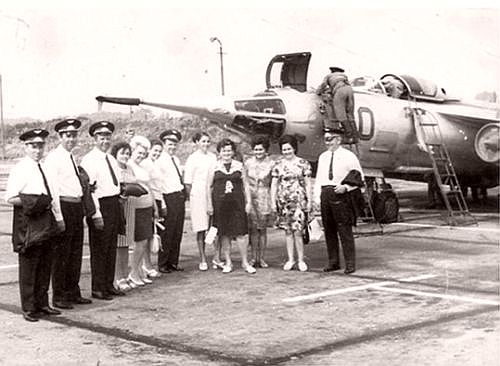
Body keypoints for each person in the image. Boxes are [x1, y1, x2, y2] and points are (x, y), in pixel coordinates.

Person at [5, 129, 64, 322]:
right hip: (29, 221)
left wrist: (58, 217)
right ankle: (29, 307)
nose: (37, 150)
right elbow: (10, 198)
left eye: (40, 146)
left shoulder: (45, 167)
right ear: (26, 147)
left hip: (46, 220)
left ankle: (43, 303)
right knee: (30, 265)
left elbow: (53, 195)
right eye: (33, 146)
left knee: (45, 263)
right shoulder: (20, 168)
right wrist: (33, 201)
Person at [44, 119, 92, 309]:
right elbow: (53, 190)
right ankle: (59, 296)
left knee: (75, 252)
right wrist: (58, 217)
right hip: (64, 206)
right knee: (62, 255)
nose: (72, 139)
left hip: (76, 207)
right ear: (60, 136)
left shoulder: (71, 156)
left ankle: (73, 291)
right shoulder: (54, 158)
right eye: (68, 135)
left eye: (74, 135)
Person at [81, 121, 125, 300]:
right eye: (101, 137)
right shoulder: (89, 160)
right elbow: (90, 190)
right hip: (100, 205)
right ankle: (98, 288)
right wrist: (96, 214)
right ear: (94, 138)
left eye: (108, 137)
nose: (105, 140)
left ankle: (108, 284)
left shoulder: (111, 159)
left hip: (114, 204)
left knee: (110, 247)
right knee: (100, 249)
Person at [313, 128, 364, 274]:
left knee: (344, 230)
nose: (327, 142)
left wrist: (346, 187)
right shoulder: (323, 157)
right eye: (325, 139)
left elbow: (359, 177)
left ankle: (350, 263)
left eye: (330, 139)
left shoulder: (349, 156)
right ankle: (333, 262)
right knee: (329, 230)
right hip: (326, 194)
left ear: (338, 140)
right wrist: (317, 197)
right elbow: (319, 179)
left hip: (340, 194)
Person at [207, 138, 256, 274]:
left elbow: (246, 185)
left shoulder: (239, 165)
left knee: (241, 233)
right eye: (224, 150)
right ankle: (228, 262)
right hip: (220, 205)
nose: (227, 153)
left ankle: (245, 262)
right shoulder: (214, 166)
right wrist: (209, 204)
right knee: (224, 234)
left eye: (229, 150)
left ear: (233, 152)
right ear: (220, 152)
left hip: (237, 204)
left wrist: (249, 202)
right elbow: (208, 186)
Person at [271, 134, 312, 272]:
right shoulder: (278, 165)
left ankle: (301, 260)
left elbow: (307, 183)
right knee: (288, 231)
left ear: (294, 148)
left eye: (289, 149)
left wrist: (310, 201)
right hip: (284, 202)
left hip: (299, 201)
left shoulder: (303, 163)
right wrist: (273, 201)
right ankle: (290, 259)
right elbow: (274, 185)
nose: (287, 152)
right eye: (284, 149)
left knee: (298, 231)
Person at [183, 132, 217, 271]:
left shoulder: (213, 157)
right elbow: (188, 182)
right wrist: (193, 195)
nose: (206, 144)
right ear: (196, 142)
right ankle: (203, 259)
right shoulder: (192, 159)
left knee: (214, 227)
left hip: (213, 193)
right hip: (197, 195)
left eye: (208, 141)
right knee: (201, 228)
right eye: (203, 141)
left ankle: (216, 257)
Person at [126, 136, 157, 286]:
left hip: (147, 207)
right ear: (132, 151)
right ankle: (133, 272)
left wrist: (155, 207)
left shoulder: (142, 166)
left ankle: (138, 270)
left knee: (144, 242)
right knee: (140, 242)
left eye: (143, 153)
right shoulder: (129, 166)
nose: (141, 156)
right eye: (139, 152)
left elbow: (149, 187)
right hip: (136, 207)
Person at [156, 129, 186, 273]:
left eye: (175, 145)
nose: (172, 147)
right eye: (169, 144)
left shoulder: (176, 159)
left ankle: (173, 262)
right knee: (167, 232)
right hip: (168, 197)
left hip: (178, 196)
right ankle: (163, 263)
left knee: (177, 231)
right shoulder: (160, 160)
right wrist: (162, 203)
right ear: (164, 144)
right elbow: (159, 184)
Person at [244, 135, 274, 268]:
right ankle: (253, 258)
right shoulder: (248, 163)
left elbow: (274, 184)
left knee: (262, 230)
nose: (258, 152)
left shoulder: (272, 163)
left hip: (264, 196)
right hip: (250, 197)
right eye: (256, 149)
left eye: (260, 149)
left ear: (266, 149)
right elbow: (244, 182)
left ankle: (261, 258)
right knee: (252, 230)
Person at [111, 141, 134, 292]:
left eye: (127, 153)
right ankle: (118, 277)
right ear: (116, 155)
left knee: (126, 244)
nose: (125, 156)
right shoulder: (114, 168)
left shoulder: (130, 168)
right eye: (122, 153)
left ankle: (125, 275)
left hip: (131, 206)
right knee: (119, 243)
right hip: (119, 207)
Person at [140, 139, 165, 277]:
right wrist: (154, 206)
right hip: (150, 200)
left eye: (160, 151)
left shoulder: (155, 164)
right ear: (149, 150)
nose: (157, 153)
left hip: (157, 199)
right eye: (155, 150)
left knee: (151, 234)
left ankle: (147, 264)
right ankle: (146, 265)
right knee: (147, 234)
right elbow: (147, 186)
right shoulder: (145, 164)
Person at [316, 66, 359, 142]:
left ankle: (349, 135)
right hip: (349, 90)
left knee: (340, 114)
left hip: (340, 91)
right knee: (350, 114)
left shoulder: (329, 76)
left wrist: (318, 92)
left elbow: (323, 85)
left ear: (332, 71)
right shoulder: (344, 76)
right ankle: (355, 136)